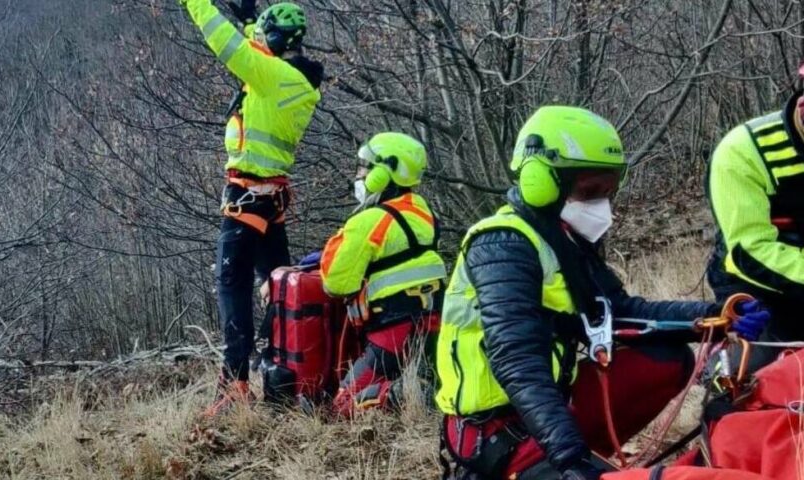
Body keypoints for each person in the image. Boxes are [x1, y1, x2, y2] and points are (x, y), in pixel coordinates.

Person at [434, 106, 769, 480]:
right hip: (496, 431)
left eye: (608, 190)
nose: (600, 205)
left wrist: (714, 316)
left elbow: (619, 311)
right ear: (540, 181)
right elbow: (517, 360)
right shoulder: (501, 245)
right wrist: (570, 458)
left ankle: (575, 461)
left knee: (667, 358)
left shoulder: (563, 240)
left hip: (548, 410)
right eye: (590, 191)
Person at [179, 0, 324, 416]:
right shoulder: (293, 78)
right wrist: (248, 19)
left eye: (262, 34)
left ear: (274, 40)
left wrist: (197, 4)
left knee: (233, 286)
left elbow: (228, 45)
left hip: (248, 197)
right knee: (277, 287)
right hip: (268, 198)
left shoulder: (270, 76)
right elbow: (252, 47)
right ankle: (282, 376)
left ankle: (234, 382)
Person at [320, 132, 447, 417]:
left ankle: (400, 393)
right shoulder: (425, 213)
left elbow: (336, 282)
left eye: (365, 167)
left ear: (383, 173)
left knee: (343, 404)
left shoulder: (369, 221)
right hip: (433, 325)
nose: (360, 174)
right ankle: (418, 387)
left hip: (393, 329)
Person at [707, 85, 804, 372]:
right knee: (755, 374)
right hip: (755, 284)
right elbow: (749, 251)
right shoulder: (744, 151)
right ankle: (722, 375)